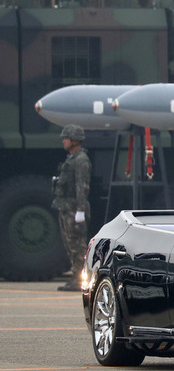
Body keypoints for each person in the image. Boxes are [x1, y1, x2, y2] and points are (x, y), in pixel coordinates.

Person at [52, 124, 91, 291]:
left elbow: (82, 187)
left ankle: (82, 279)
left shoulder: (81, 160)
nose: (63, 141)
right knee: (70, 245)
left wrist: (80, 211)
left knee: (78, 244)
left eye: (66, 138)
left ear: (75, 140)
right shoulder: (72, 159)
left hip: (74, 209)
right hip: (67, 207)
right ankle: (76, 277)